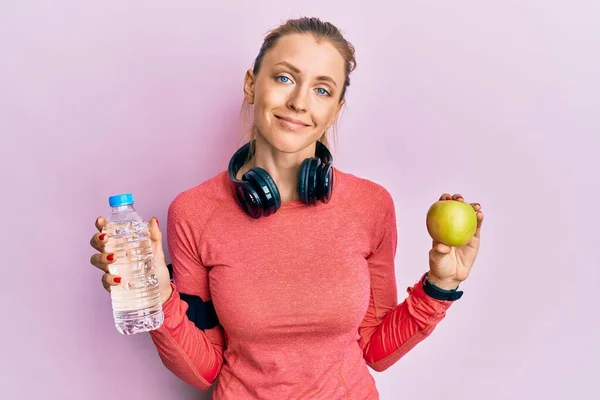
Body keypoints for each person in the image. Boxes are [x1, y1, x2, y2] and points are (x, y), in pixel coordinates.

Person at [89, 17, 484, 399]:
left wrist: (441, 284)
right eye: (284, 78)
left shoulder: (371, 206)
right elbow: (202, 369)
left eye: (322, 90)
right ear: (250, 84)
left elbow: (376, 350)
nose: (298, 102)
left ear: (337, 109)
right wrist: (158, 294)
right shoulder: (194, 212)